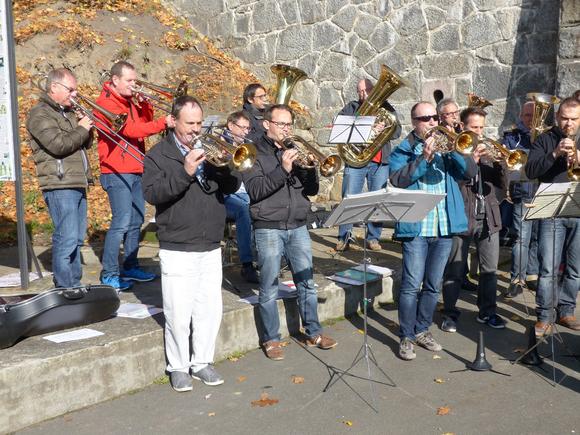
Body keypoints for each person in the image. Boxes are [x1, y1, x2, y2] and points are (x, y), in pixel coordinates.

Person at [143, 96, 241, 392]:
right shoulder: (158, 155)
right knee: (178, 312)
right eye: (190, 123)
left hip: (210, 241)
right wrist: (184, 171)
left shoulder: (210, 150)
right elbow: (153, 193)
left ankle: (202, 362)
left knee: (209, 309)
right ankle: (178, 366)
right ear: (173, 121)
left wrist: (223, 167)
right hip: (177, 244)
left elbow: (232, 185)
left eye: (199, 123)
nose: (196, 129)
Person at [242, 104, 337, 361]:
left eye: (289, 124)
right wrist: (282, 169)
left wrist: (310, 168)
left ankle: (314, 332)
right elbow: (256, 190)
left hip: (297, 224)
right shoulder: (252, 151)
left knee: (306, 282)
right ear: (266, 124)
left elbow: (311, 190)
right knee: (269, 286)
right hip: (268, 226)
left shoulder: (294, 149)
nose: (287, 129)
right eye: (281, 124)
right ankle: (271, 339)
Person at [389, 101, 476, 360]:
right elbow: (398, 180)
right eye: (425, 118)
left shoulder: (448, 146)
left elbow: (469, 172)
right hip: (416, 227)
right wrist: (424, 159)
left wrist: (455, 151)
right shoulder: (403, 150)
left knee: (433, 284)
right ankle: (406, 335)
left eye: (434, 118)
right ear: (414, 122)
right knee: (410, 285)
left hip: (443, 226)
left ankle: (422, 330)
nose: (432, 122)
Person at [95, 61, 175, 291]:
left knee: (136, 220)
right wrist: (162, 123)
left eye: (134, 80)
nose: (134, 84)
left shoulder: (129, 100)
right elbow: (130, 130)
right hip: (116, 170)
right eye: (129, 80)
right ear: (115, 80)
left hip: (136, 166)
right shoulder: (105, 104)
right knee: (121, 222)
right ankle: (109, 273)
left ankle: (130, 266)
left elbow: (143, 122)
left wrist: (145, 104)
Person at [441, 107, 508, 333]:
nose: (479, 133)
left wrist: (500, 163)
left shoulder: (489, 152)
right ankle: (450, 313)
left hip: (488, 216)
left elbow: (502, 187)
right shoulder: (454, 151)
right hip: (462, 215)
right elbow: (453, 185)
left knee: (489, 270)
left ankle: (487, 312)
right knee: (455, 270)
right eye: (474, 127)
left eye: (481, 127)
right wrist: (472, 160)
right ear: (462, 126)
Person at [26, 68, 93, 289]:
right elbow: (58, 145)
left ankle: (74, 283)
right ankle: (64, 286)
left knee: (77, 238)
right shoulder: (40, 114)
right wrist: (81, 128)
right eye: (70, 90)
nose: (75, 94)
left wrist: (85, 127)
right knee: (66, 237)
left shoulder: (68, 112)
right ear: (54, 87)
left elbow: (84, 143)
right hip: (59, 183)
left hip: (77, 181)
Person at [525, 97, 580, 337]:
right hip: (551, 213)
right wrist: (555, 153)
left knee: (576, 269)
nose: (569, 124)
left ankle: (567, 311)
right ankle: (545, 316)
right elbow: (530, 171)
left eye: (574, 119)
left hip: (577, 211)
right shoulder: (545, 140)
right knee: (548, 268)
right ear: (557, 117)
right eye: (564, 118)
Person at [336, 79, 401, 251]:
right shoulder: (351, 107)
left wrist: (384, 128)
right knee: (349, 198)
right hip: (356, 160)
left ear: (375, 89)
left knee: (378, 200)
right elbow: (340, 127)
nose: (363, 94)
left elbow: (397, 131)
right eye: (360, 91)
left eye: (367, 90)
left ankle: (373, 238)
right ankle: (344, 237)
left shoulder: (386, 108)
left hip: (379, 162)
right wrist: (367, 129)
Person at [502, 101, 539, 298]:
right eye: (527, 115)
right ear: (520, 115)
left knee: (537, 237)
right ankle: (516, 279)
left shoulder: (546, 135)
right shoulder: (512, 136)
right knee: (521, 237)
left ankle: (532, 274)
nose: (531, 119)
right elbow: (508, 164)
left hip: (542, 191)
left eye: (535, 115)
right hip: (523, 190)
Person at [223, 110, 258, 283]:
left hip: (246, 193)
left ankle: (267, 258)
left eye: (247, 128)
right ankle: (247, 264)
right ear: (230, 125)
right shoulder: (221, 144)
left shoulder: (247, 147)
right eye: (242, 128)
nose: (245, 132)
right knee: (243, 210)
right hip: (226, 196)